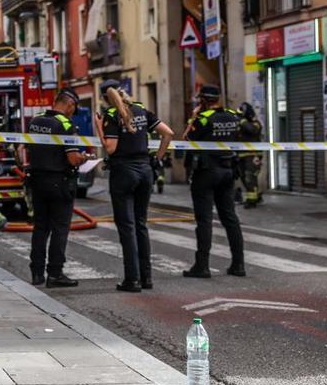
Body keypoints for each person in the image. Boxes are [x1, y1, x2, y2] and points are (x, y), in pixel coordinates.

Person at [101, 80, 173, 293]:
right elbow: (168, 133)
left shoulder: (112, 116)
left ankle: (132, 280)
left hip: (123, 172)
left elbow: (111, 149)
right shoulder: (141, 110)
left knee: (127, 227)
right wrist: (157, 159)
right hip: (145, 171)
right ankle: (146, 278)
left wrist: (99, 128)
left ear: (107, 98)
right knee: (141, 224)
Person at [23, 88, 88, 287]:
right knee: (60, 229)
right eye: (73, 109)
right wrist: (84, 158)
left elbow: (22, 149)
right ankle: (55, 274)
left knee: (40, 228)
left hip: (37, 180)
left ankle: (36, 273)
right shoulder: (66, 124)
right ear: (69, 104)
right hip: (59, 182)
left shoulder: (35, 120)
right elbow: (72, 158)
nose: (72, 113)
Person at [183, 85, 246, 278]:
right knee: (230, 218)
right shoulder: (233, 115)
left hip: (206, 172)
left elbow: (187, 138)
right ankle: (238, 264)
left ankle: (202, 266)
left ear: (202, 100)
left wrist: (194, 116)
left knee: (204, 220)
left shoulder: (201, 119)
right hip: (228, 170)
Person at [237, 103, 264, 208]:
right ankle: (256, 195)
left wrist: (242, 121)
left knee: (250, 177)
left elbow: (252, 130)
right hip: (241, 155)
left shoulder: (256, 123)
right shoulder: (240, 124)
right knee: (244, 177)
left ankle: (252, 201)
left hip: (253, 155)